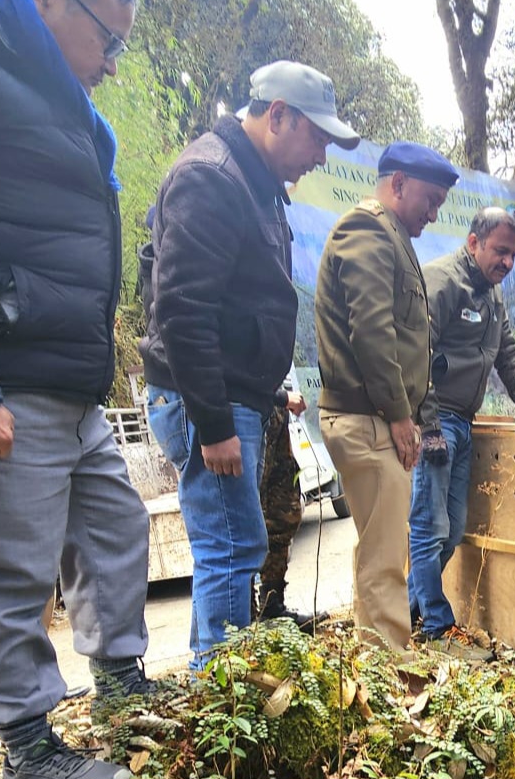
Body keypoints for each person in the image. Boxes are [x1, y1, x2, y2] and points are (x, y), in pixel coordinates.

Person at [0, 0, 152, 778]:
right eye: (107, 40)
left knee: (116, 529)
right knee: (9, 570)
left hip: (70, 381)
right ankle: (30, 745)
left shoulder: (57, 94)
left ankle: (119, 683)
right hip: (6, 375)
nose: (111, 65)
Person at [140, 60, 359, 669]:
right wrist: (213, 424)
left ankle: (227, 684)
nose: (320, 155)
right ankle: (218, 693)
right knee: (231, 547)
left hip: (238, 396)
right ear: (278, 115)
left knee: (242, 543)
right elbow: (182, 310)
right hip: (207, 399)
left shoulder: (255, 182)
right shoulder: (211, 177)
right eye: (317, 138)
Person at [314, 141, 459, 654]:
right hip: (369, 420)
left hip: (377, 418)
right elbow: (372, 331)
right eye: (430, 199)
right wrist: (401, 416)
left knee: (380, 552)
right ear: (397, 184)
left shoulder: (391, 235)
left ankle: (368, 671)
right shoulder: (369, 230)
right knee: (384, 562)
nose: (433, 212)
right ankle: (391, 671)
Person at [409, 208, 515, 660]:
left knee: (453, 528)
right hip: (436, 418)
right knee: (430, 525)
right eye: (500, 250)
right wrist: (427, 428)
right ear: (473, 242)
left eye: (513, 255)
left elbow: (508, 356)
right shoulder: (443, 282)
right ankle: (437, 628)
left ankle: (408, 611)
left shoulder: (494, 296)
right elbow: (416, 355)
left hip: (465, 420)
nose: (506, 261)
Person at [256, 383, 322, 629]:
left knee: (284, 511)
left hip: (274, 411)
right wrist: (280, 395)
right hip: (250, 410)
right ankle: (246, 624)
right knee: (249, 522)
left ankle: (272, 607)